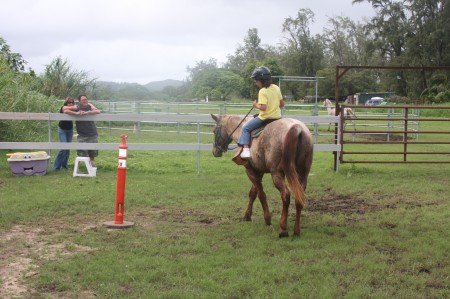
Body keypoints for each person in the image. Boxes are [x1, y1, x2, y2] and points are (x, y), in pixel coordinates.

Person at [238, 66, 283, 159]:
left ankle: (246, 151)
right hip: (277, 118)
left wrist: (255, 105)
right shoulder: (276, 87)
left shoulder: (262, 91)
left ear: (261, 80)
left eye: (256, 80)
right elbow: (281, 104)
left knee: (245, 128)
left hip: (265, 119)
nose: (255, 82)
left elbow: (263, 107)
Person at [64, 95, 101, 167]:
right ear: (80, 101)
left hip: (92, 133)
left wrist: (88, 112)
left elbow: (98, 111)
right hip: (82, 135)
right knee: (81, 153)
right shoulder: (77, 108)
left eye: (86, 99)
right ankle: (76, 168)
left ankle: (92, 168)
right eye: (83, 100)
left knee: (92, 154)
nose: (85, 101)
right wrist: (77, 113)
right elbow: (65, 110)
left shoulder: (90, 106)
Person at [53, 97, 76, 170]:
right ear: (66, 103)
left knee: (67, 149)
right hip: (62, 129)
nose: (71, 103)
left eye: (72, 102)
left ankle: (64, 166)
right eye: (69, 102)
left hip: (70, 129)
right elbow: (65, 111)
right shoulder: (63, 107)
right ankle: (56, 167)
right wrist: (76, 112)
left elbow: (76, 108)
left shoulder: (73, 108)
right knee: (63, 148)